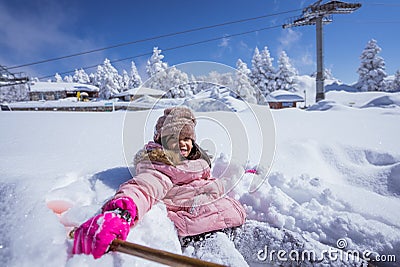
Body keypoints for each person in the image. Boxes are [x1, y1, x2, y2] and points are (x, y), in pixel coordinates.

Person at [72, 106, 247, 259]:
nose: (183, 144)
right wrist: (119, 213)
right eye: (174, 138)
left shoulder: (197, 163)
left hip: (233, 223)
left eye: (186, 138)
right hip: (202, 233)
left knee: (272, 246)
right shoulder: (160, 165)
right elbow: (143, 188)